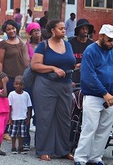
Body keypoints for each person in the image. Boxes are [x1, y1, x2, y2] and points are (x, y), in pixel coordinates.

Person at [31, 19, 76, 161]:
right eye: (61, 28)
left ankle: (63, 150)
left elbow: (69, 63)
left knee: (64, 118)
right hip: (46, 84)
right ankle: (44, 150)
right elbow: (35, 65)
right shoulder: (43, 45)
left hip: (65, 85)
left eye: (64, 28)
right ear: (52, 30)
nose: (64, 30)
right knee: (45, 117)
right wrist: (53, 68)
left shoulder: (68, 45)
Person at [74, 24, 113, 165]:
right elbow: (88, 76)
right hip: (94, 95)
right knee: (89, 128)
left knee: (104, 129)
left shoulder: (112, 49)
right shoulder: (90, 50)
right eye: (109, 40)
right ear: (101, 36)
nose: (111, 43)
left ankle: (95, 157)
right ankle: (80, 157)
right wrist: (104, 93)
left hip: (110, 97)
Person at [0, 19, 27, 143]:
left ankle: (16, 130)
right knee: (7, 106)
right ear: (5, 31)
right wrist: (1, 77)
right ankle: (4, 131)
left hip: (21, 78)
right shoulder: (3, 44)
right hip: (9, 78)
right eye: (8, 29)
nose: (11, 31)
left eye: (13, 28)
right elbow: (0, 61)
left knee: (19, 105)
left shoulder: (21, 41)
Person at [8, 75, 32, 154]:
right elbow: (9, 107)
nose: (18, 85)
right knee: (14, 134)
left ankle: (20, 147)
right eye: (17, 84)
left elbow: (28, 107)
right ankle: (13, 147)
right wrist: (10, 118)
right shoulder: (11, 94)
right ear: (14, 84)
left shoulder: (26, 95)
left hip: (23, 118)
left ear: (24, 85)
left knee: (22, 134)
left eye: (21, 84)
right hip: (14, 117)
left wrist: (28, 118)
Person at [69, 19, 94, 86]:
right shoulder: (70, 43)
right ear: (78, 30)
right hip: (73, 77)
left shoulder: (92, 45)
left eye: (86, 28)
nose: (85, 31)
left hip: (87, 77)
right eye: (82, 28)